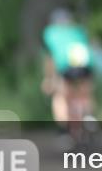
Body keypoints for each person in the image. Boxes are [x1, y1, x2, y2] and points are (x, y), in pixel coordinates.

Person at [41, 8, 97, 137]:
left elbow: (50, 59)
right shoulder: (79, 31)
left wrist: (49, 78)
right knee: (85, 94)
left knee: (60, 96)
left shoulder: (50, 33)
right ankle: (88, 116)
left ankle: (64, 128)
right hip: (85, 66)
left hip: (65, 67)